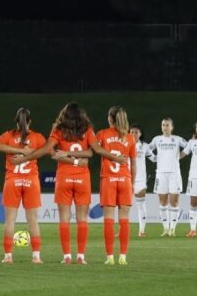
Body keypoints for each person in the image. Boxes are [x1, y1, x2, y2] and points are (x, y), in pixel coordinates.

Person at [31, 102, 108, 264]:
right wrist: (77, 161)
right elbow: (91, 152)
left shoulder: (58, 129)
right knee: (82, 219)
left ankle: (66, 256)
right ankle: (81, 257)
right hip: (82, 178)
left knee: (64, 219)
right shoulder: (87, 129)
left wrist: (65, 154)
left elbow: (50, 150)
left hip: (64, 177)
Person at [0, 108, 48, 264]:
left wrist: (15, 150)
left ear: (15, 120)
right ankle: (36, 256)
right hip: (31, 181)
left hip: (12, 180)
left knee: (10, 220)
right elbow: (48, 150)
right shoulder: (37, 137)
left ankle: (8, 256)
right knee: (33, 220)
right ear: (30, 121)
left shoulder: (7, 136)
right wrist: (30, 152)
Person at [95, 106, 134, 265]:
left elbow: (95, 150)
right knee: (124, 219)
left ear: (110, 118)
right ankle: (123, 257)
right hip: (125, 179)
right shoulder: (130, 137)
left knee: (108, 220)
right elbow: (134, 164)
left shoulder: (102, 134)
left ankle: (110, 257)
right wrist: (132, 183)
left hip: (108, 179)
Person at [147, 118, 187, 237]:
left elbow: (189, 146)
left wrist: (181, 155)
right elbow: (147, 149)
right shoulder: (157, 139)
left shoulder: (177, 139)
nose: (165, 127)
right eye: (163, 125)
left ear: (172, 127)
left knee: (174, 201)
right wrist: (153, 158)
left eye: (167, 125)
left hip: (174, 174)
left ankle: (173, 229)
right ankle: (165, 229)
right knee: (163, 201)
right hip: (161, 174)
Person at [130, 125, 150, 237]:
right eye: (131, 132)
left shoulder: (145, 146)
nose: (133, 134)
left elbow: (153, 158)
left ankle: (141, 231)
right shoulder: (125, 144)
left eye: (136, 132)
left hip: (140, 180)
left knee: (141, 206)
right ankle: (122, 230)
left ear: (140, 134)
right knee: (123, 206)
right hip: (127, 178)